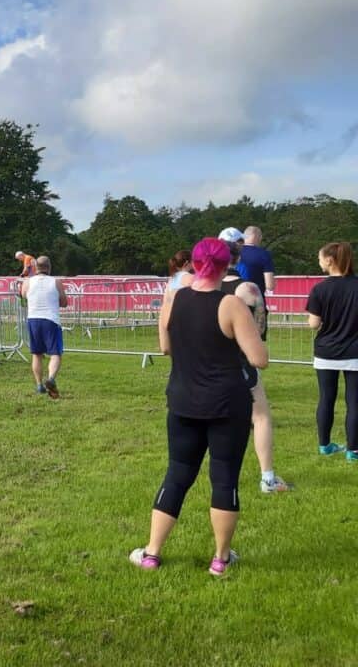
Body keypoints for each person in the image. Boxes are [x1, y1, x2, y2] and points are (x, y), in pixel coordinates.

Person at [129, 238, 267, 577]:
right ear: (226, 265)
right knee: (224, 479)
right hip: (226, 404)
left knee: (177, 474)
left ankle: (152, 552)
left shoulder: (174, 298)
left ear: (194, 263)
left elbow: (165, 346)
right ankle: (220, 559)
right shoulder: (231, 305)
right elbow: (259, 359)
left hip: (183, 399)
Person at [221, 245, 290, 492]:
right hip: (241, 360)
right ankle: (267, 478)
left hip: (211, 363)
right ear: (238, 260)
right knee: (259, 417)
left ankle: (223, 477)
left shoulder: (204, 288)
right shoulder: (248, 289)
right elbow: (259, 329)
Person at [305, 241, 358, 460]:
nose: (319, 262)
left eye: (319, 258)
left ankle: (324, 445)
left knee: (326, 398)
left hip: (326, 351)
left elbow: (313, 324)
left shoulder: (320, 288)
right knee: (354, 401)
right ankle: (353, 450)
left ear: (330, 260)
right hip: (354, 351)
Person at [19, 256, 68, 398]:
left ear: (35, 267)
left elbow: (23, 296)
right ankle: (51, 379)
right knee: (55, 354)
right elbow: (64, 302)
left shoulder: (27, 282)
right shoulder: (56, 282)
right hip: (51, 320)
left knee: (37, 354)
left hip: (33, 319)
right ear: (49, 267)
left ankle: (39, 385)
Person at [238, 226, 276, 313]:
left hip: (233, 300)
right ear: (258, 237)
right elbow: (270, 285)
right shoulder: (264, 254)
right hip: (255, 301)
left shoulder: (234, 252)